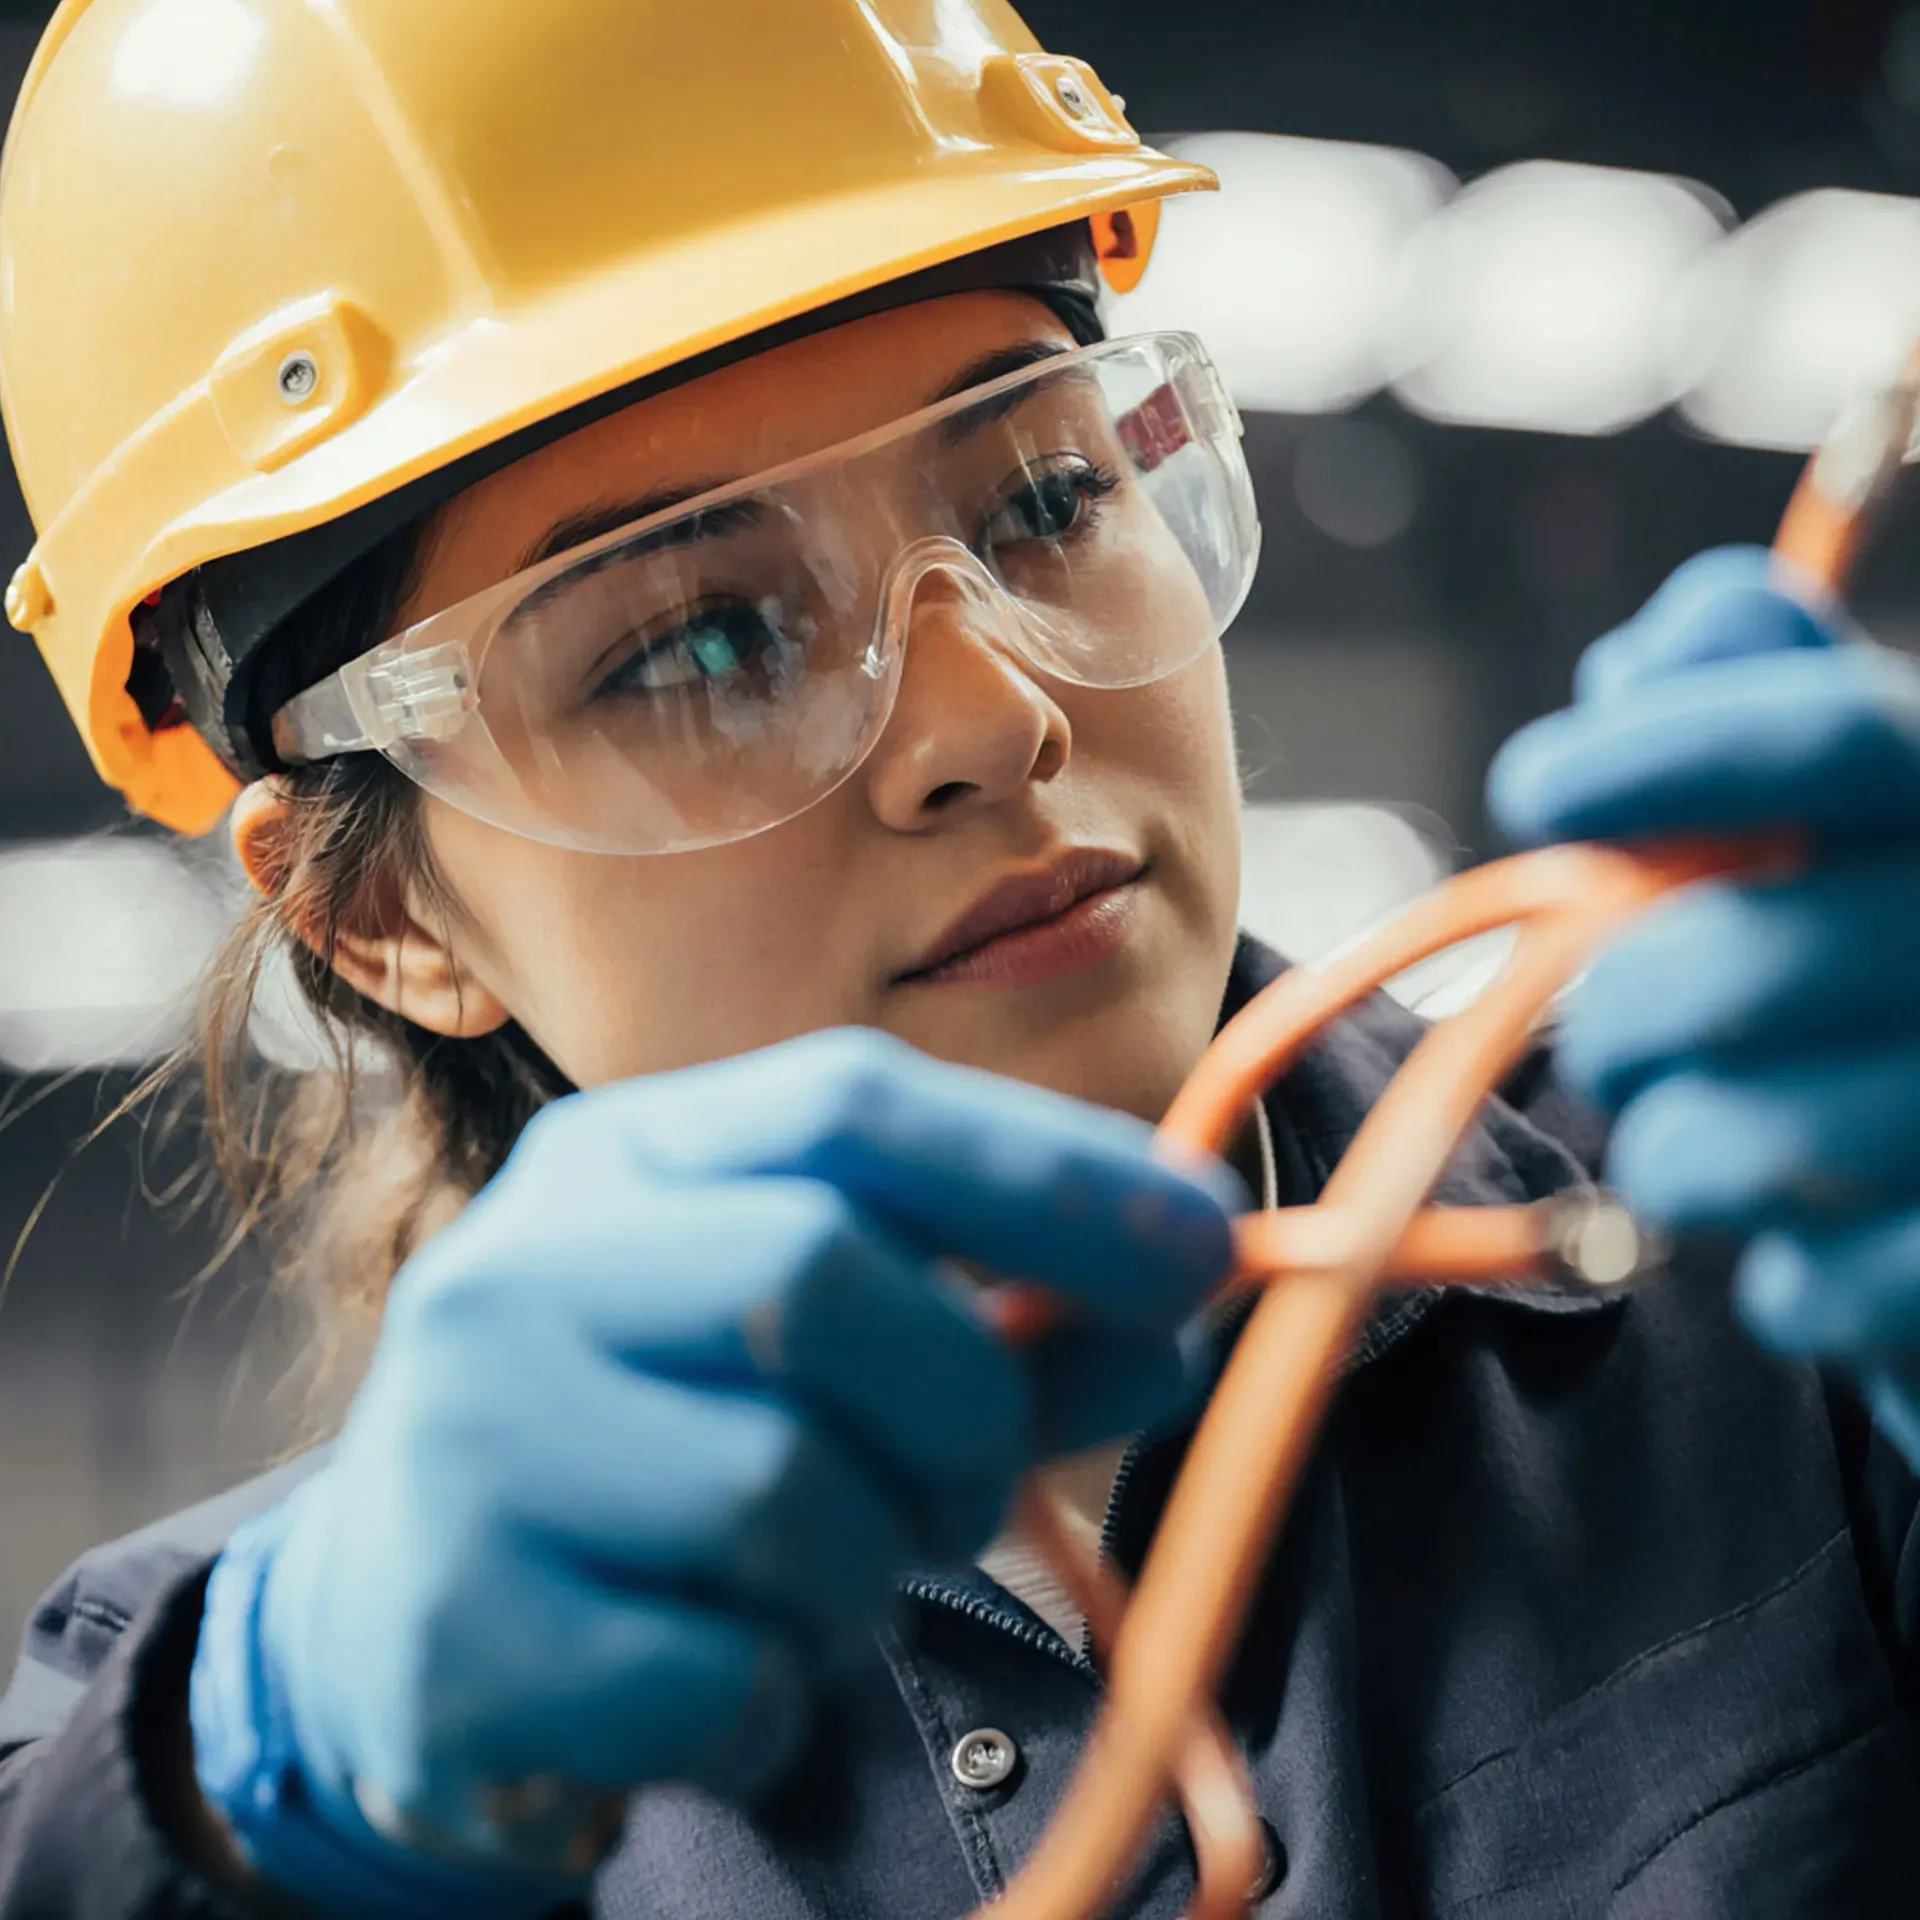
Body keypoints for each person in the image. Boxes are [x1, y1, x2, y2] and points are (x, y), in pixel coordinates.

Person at [3, 1, 1920, 1914]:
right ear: (384, 916)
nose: (989, 721)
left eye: (1047, 500)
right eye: (696, 640)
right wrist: (262, 1772)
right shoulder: (222, 1744)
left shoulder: (1781, 1303)